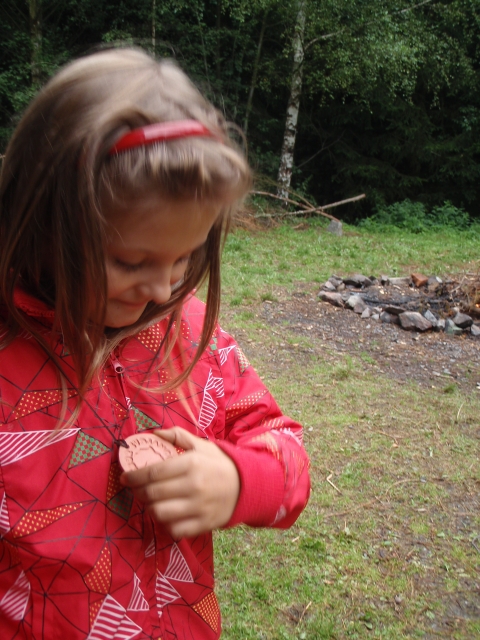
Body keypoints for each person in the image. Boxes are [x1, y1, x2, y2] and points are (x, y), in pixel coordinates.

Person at [0, 48, 310, 640]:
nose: (164, 289)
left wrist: (239, 481)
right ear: (42, 221)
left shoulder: (191, 335)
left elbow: (288, 452)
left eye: (185, 256)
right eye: (131, 261)